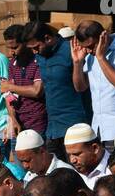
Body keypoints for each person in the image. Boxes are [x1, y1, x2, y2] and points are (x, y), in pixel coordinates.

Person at [25, 21, 87, 159]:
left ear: (48, 38)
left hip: (74, 126)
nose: (34, 52)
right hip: (52, 128)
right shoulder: (40, 56)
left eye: (36, 47)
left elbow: (83, 87)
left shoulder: (71, 51)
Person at [71, 20, 115, 144]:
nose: (89, 51)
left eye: (91, 46)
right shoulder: (90, 56)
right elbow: (80, 87)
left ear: (104, 36)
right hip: (98, 130)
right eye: (85, 47)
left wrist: (101, 58)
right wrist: (77, 63)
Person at [0, 23, 47, 140]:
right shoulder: (12, 64)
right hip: (18, 125)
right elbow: (9, 96)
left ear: (25, 43)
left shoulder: (38, 61)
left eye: (15, 47)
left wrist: (9, 87)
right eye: (9, 48)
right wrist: (13, 119)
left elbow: (37, 91)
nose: (11, 52)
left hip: (38, 125)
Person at [64, 122, 111, 189]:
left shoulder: (114, 170)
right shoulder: (74, 176)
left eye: (77, 154)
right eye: (69, 155)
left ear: (95, 148)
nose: (72, 160)